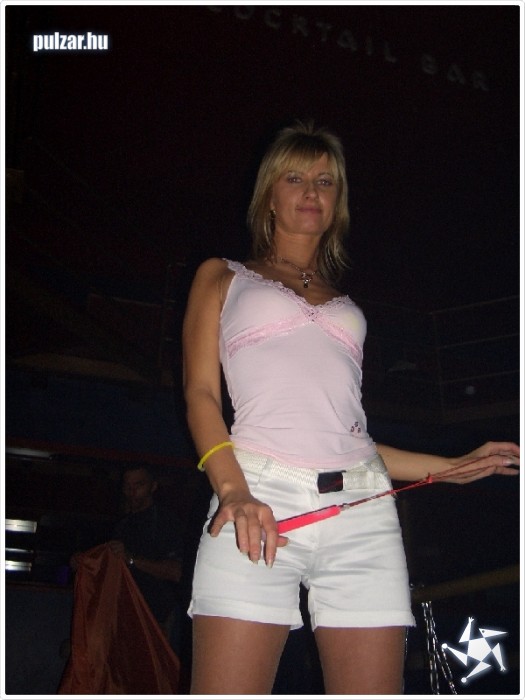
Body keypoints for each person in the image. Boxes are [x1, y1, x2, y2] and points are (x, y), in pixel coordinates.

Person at [181, 121, 519, 695]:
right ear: (269, 195)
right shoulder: (222, 276)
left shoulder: (345, 303)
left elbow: (347, 436)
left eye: (326, 181)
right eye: (295, 177)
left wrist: (450, 466)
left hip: (362, 511)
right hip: (256, 496)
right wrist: (234, 491)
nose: (311, 191)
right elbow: (200, 394)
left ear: (337, 202)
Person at [71, 466, 183, 643]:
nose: (132, 491)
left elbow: (176, 572)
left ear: (153, 486)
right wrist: (85, 562)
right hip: (120, 616)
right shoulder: (122, 524)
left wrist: (131, 559)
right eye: (127, 486)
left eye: (138, 485)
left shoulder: (165, 522)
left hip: (154, 618)